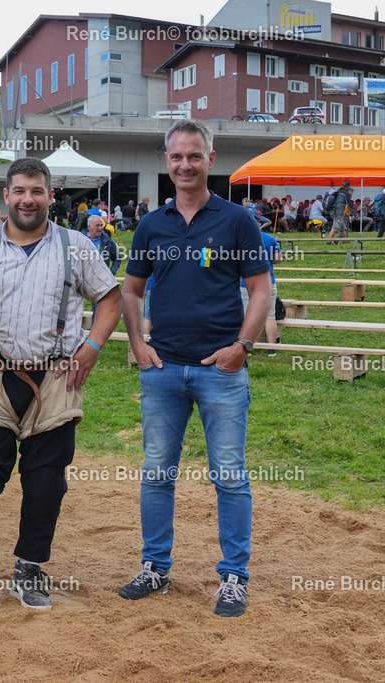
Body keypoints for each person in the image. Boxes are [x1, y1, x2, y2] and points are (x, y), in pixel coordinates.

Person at [0, 156, 122, 612]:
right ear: (6, 197)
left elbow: (110, 299)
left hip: (57, 375)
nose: (28, 199)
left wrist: (91, 346)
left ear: (51, 196)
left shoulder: (76, 246)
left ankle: (28, 570)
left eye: (37, 191)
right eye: (19, 191)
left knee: (46, 483)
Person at [119, 119, 271, 618]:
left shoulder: (237, 220)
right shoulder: (151, 224)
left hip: (220, 371)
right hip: (162, 369)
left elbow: (261, 288)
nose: (185, 165)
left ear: (210, 158)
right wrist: (137, 343)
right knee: (157, 472)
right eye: (177, 157)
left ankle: (233, 578)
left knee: (229, 476)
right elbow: (132, 289)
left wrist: (242, 346)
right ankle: (155, 568)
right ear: (167, 161)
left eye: (195, 156)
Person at [240, 223, 283, 356]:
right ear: (260, 224)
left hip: (245, 281)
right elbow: (278, 259)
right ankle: (271, 349)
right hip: (267, 281)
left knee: (246, 315)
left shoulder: (240, 238)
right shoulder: (270, 239)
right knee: (270, 315)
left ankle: (246, 348)